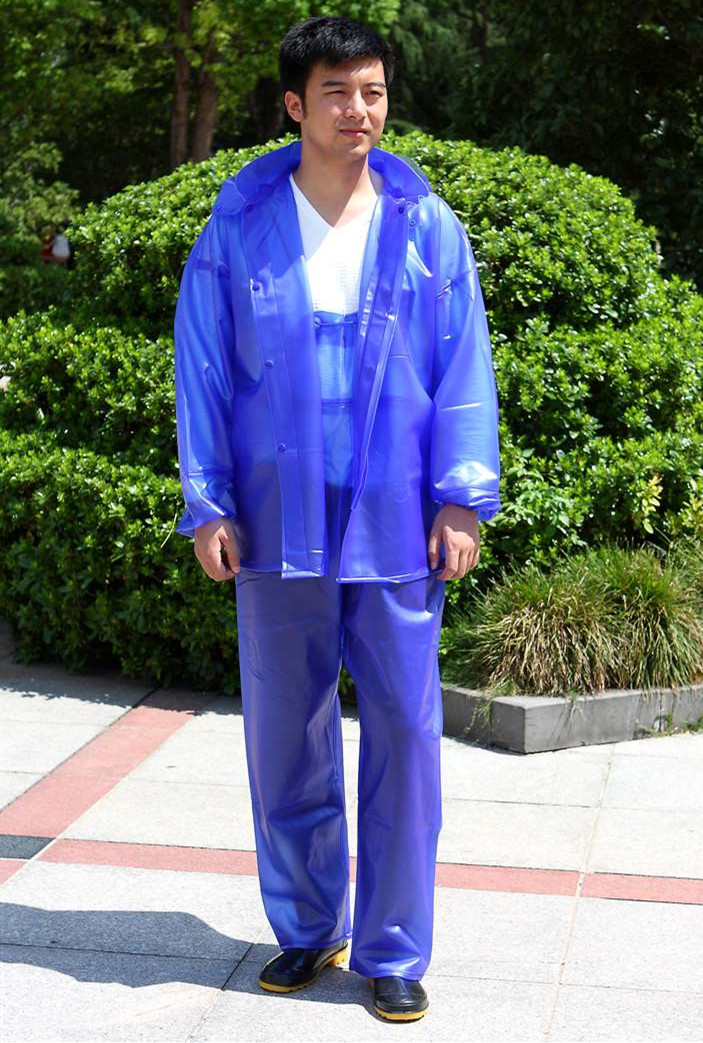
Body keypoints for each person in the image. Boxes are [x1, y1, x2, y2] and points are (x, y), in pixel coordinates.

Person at [174, 15, 502, 1022]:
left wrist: (460, 494)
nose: (359, 110)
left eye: (373, 91)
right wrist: (208, 500)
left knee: (404, 726)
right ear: (293, 104)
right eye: (336, 92)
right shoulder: (240, 226)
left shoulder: (425, 226)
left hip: (394, 518)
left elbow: (462, 363)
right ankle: (310, 925)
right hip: (275, 521)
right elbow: (203, 366)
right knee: (286, 730)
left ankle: (394, 944)